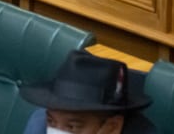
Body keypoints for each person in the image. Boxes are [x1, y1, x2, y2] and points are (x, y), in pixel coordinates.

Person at [20, 50, 156, 134]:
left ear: (112, 127)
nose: (55, 132)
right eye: (51, 122)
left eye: (72, 127)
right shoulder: (39, 124)